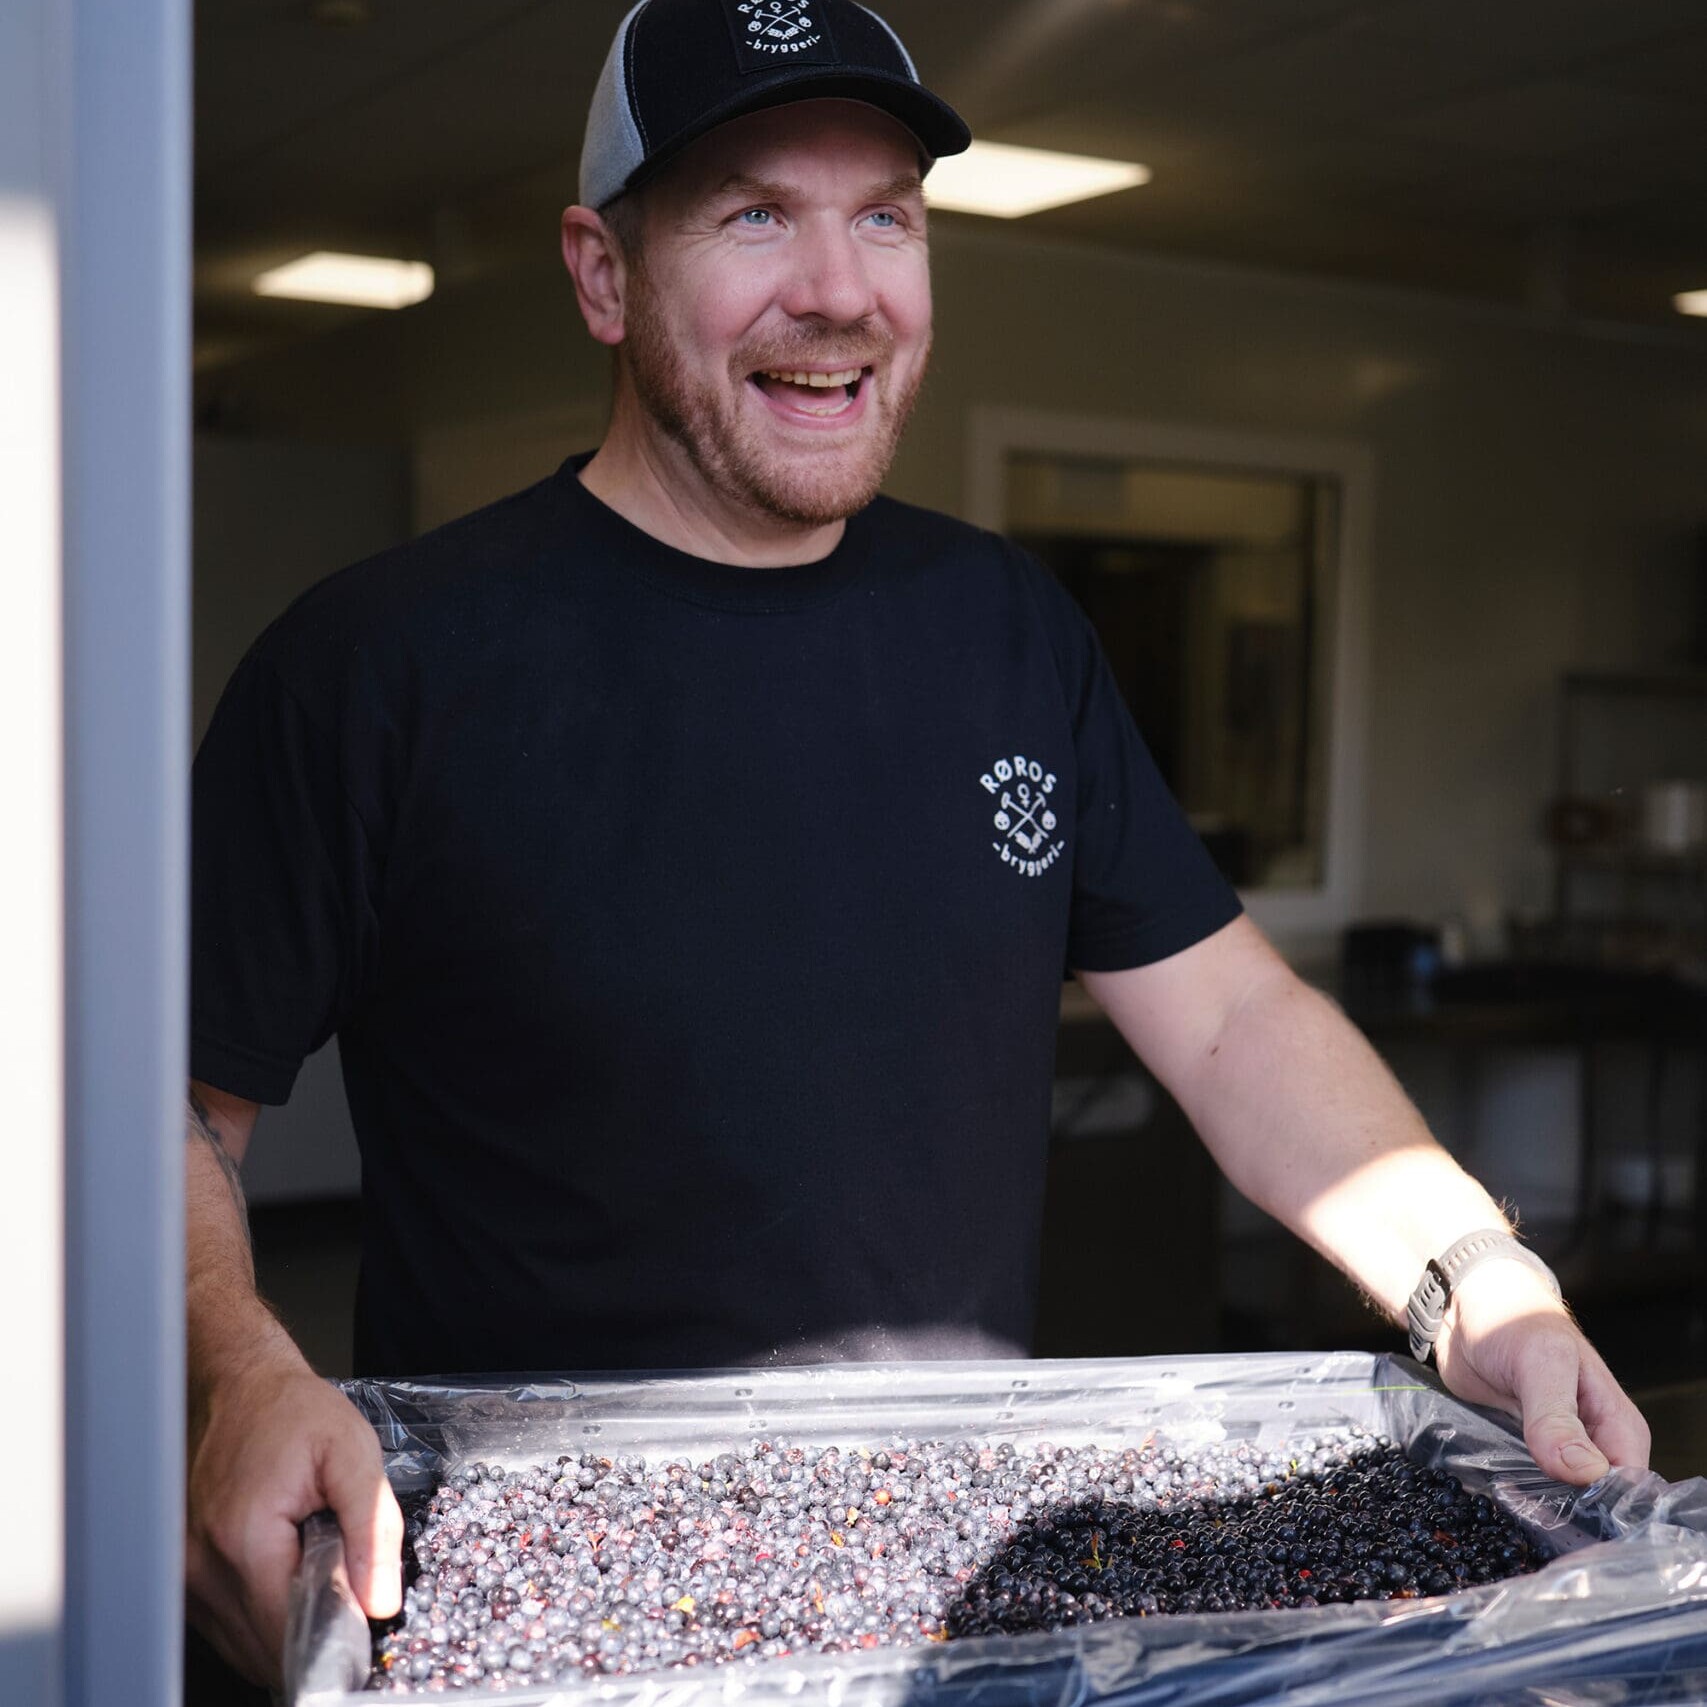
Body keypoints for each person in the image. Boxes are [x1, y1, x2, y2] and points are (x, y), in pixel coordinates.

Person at [184, 0, 1651, 1688]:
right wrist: (242, 1373)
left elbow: (1239, 1023)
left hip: (948, 1597)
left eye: (885, 213)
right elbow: (175, 1114)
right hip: (556, 1615)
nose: (838, 288)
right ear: (601, 274)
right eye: (752, 213)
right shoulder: (380, 666)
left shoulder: (1005, 630)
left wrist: (1481, 1279)